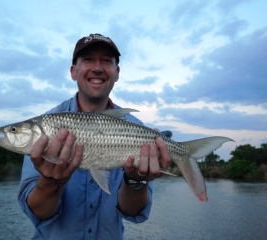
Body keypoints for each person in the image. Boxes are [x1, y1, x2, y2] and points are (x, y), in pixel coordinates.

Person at [18, 33, 172, 240]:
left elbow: (131, 212)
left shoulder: (135, 128)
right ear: (73, 71)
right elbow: (38, 212)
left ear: (117, 73)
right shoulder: (46, 125)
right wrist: (50, 181)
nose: (97, 68)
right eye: (88, 59)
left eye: (106, 61)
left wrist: (136, 181)